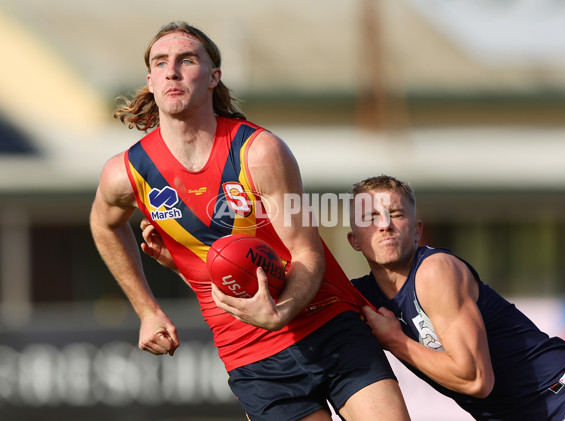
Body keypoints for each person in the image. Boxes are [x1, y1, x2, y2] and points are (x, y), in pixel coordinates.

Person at [89, 21, 410, 421]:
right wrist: (147, 310)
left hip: (326, 321)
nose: (172, 70)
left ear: (213, 77)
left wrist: (282, 310)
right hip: (251, 355)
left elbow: (306, 251)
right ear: (151, 81)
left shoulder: (259, 151)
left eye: (186, 60)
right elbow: (104, 224)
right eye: (161, 62)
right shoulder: (126, 172)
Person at [347, 175, 565, 421]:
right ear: (354, 240)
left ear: (417, 230)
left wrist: (395, 340)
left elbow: (476, 379)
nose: (385, 224)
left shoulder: (435, 270)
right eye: (371, 217)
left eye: (397, 214)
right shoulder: (361, 295)